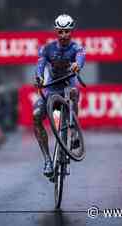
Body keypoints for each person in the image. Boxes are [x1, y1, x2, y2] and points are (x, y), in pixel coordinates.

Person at [33, 14, 86, 178]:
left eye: (67, 32)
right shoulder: (46, 49)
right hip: (51, 89)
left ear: (72, 31)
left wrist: (78, 65)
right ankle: (48, 160)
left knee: (74, 92)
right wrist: (39, 78)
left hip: (68, 86)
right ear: (56, 31)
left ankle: (74, 132)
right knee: (35, 116)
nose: (64, 35)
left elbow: (81, 57)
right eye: (61, 31)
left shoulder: (77, 48)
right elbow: (40, 65)